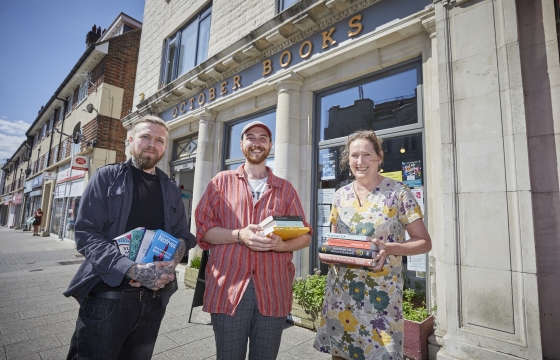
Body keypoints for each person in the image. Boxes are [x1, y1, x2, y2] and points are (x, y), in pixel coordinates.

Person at [64, 115, 196, 360]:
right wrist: (134, 270)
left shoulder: (170, 188)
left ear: (165, 147)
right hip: (108, 297)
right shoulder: (106, 178)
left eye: (159, 140)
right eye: (145, 136)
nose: (151, 144)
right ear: (131, 139)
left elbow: (182, 235)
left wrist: (170, 265)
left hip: (154, 301)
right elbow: (86, 235)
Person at [195, 121, 312, 360]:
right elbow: (203, 231)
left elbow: (306, 236)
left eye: (262, 138)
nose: (256, 143)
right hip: (228, 289)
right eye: (251, 137)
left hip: (273, 289)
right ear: (241, 144)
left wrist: (282, 245)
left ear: (270, 145)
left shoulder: (286, 189)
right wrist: (239, 235)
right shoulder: (220, 182)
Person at [313, 130, 432, 360]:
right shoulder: (340, 196)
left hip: (380, 301)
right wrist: (327, 253)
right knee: (340, 355)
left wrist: (390, 248)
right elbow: (333, 241)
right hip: (341, 298)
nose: (360, 161)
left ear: (379, 157)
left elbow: (424, 243)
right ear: (348, 161)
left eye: (367, 155)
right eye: (354, 155)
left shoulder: (399, 193)